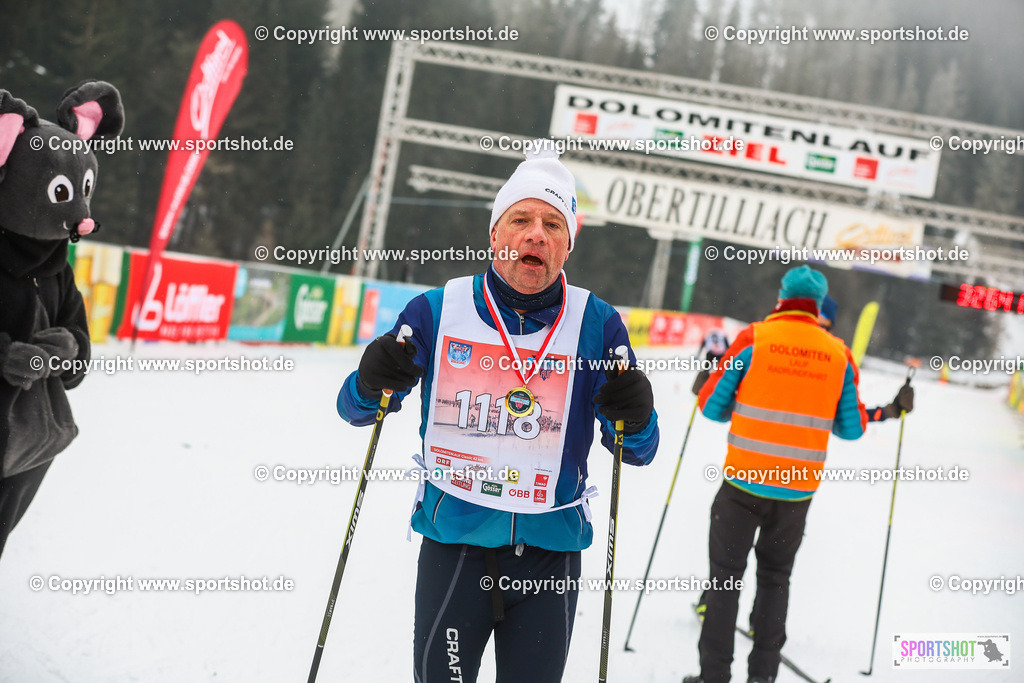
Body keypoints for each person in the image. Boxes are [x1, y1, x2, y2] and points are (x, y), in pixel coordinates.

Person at [337, 145, 659, 683]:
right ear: (495, 235)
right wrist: (370, 381)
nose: (536, 234)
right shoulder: (438, 310)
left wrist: (639, 415)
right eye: (521, 219)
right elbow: (354, 411)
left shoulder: (597, 325)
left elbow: (638, 450)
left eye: (553, 224)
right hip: (455, 547)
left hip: (549, 557)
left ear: (567, 245)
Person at [682, 266, 910, 683]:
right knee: (775, 581)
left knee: (724, 583)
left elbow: (712, 408)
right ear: (819, 305)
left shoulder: (755, 338)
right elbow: (852, 428)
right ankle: (763, 677)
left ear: (782, 297)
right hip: (795, 494)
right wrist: (892, 410)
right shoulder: (838, 354)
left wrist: (705, 386)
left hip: (740, 487)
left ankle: (713, 676)